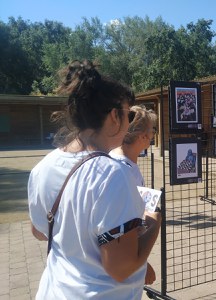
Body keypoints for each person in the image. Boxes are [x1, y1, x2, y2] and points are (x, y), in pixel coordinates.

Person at [28, 60, 161, 299]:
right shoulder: (111, 174)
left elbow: (39, 231)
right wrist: (154, 222)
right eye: (128, 114)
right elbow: (121, 268)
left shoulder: (43, 167)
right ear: (113, 115)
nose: (129, 122)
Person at [109, 105, 158, 285]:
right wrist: (141, 265)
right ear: (143, 136)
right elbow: (120, 229)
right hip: (123, 263)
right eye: (152, 130)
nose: (153, 135)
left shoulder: (120, 160)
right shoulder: (123, 170)